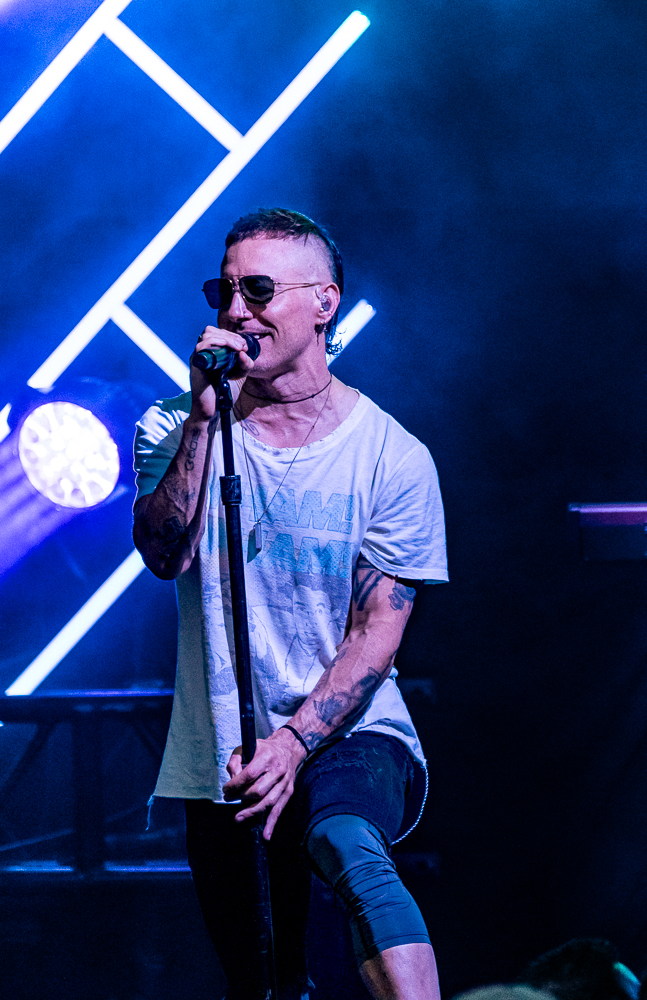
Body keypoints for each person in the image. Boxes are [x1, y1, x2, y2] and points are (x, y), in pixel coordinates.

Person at [132, 208, 449, 1000]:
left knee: (348, 846)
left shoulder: (391, 455)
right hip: (227, 749)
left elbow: (378, 631)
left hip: (347, 728)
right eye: (225, 291)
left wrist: (296, 741)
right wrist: (203, 422)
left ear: (324, 303)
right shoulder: (172, 424)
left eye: (260, 290)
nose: (238, 311)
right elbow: (164, 555)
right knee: (263, 979)